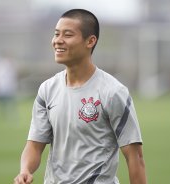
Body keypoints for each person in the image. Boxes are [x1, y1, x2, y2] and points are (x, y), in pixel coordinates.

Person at [14, 9, 147, 184]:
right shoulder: (47, 89)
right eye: (56, 34)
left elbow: (135, 156)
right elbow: (34, 145)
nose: (58, 41)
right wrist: (25, 170)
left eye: (67, 35)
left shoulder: (113, 92)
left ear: (90, 41)